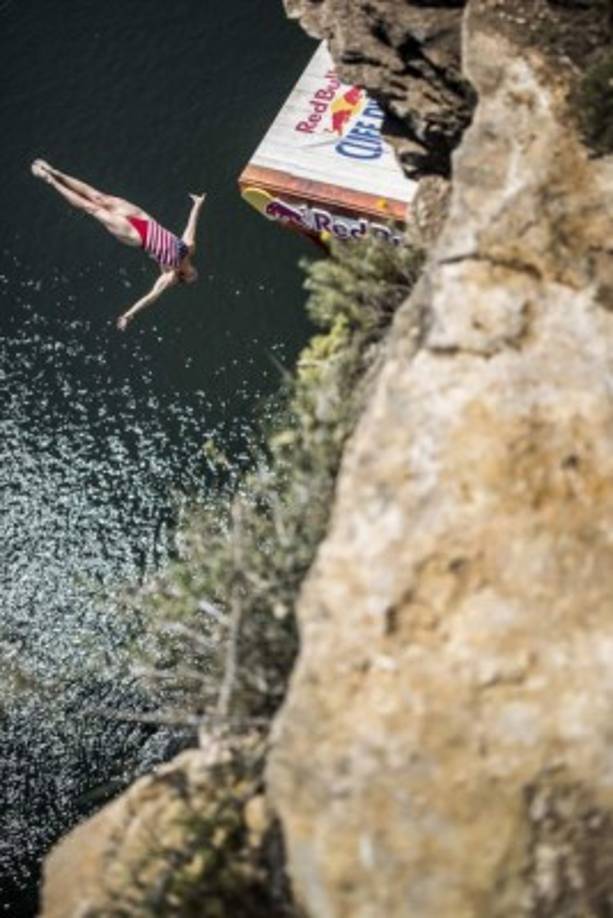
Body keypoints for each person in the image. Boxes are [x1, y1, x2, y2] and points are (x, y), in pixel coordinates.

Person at [31, 159, 206, 330]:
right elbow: (191, 227)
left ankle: (50, 180)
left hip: (135, 235)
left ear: (183, 276)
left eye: (191, 279)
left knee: (92, 208)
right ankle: (56, 172)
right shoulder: (189, 249)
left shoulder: (170, 275)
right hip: (144, 219)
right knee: (99, 197)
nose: (194, 276)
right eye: (194, 276)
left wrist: (128, 314)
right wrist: (197, 205)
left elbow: (151, 297)